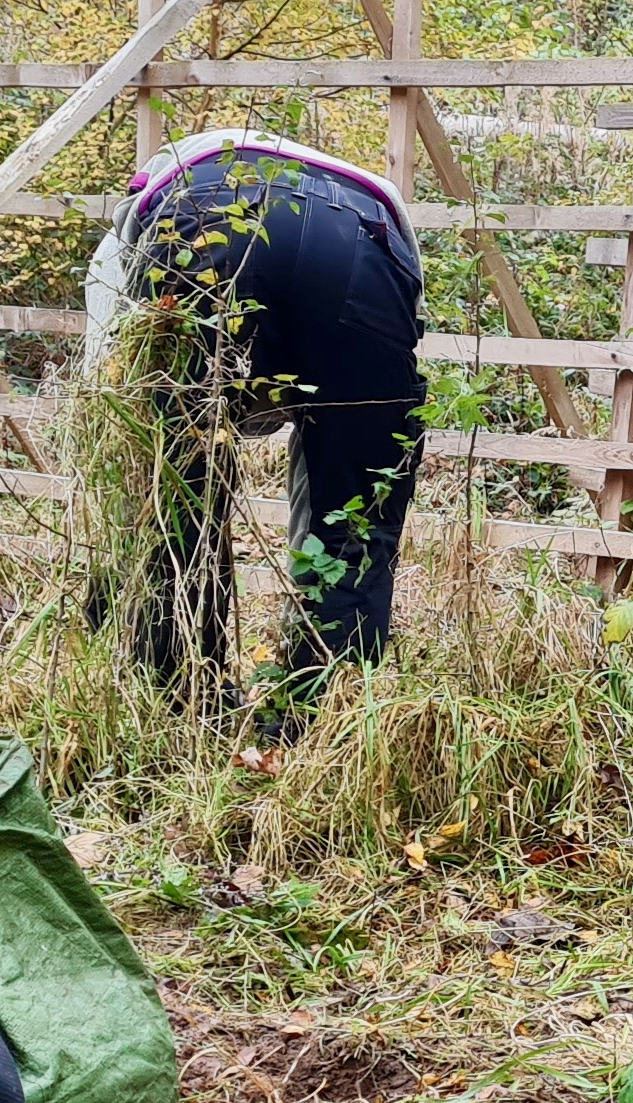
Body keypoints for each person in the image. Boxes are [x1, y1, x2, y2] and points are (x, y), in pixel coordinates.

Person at [84, 127, 426, 709]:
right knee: (357, 510)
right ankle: (319, 712)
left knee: (175, 492)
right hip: (364, 240)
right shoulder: (372, 193)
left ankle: (182, 702)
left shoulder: (144, 214)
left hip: (200, 224)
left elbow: (113, 393)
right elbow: (383, 389)